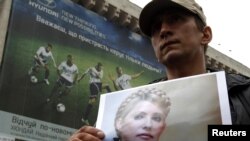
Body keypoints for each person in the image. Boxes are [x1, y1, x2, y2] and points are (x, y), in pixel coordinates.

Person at [68, 0, 250, 140]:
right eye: (155, 29)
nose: (163, 30)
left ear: (205, 34)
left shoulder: (244, 94)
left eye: (175, 19)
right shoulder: (129, 106)